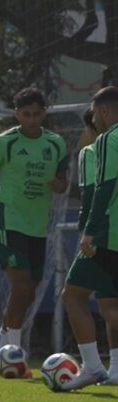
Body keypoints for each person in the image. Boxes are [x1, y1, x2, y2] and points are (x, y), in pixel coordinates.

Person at [0, 87, 68, 370]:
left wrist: (58, 185)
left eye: (36, 114)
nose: (31, 119)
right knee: (22, 285)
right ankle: (15, 355)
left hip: (38, 226)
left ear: (44, 113)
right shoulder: (5, 142)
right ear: (17, 114)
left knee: (29, 291)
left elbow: (63, 183)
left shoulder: (56, 144)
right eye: (25, 114)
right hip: (9, 221)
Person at [79, 88, 118, 386]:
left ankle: (93, 367)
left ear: (104, 112)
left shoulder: (108, 140)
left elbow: (102, 189)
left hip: (111, 234)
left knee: (74, 296)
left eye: (94, 114)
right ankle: (113, 368)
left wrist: (89, 232)